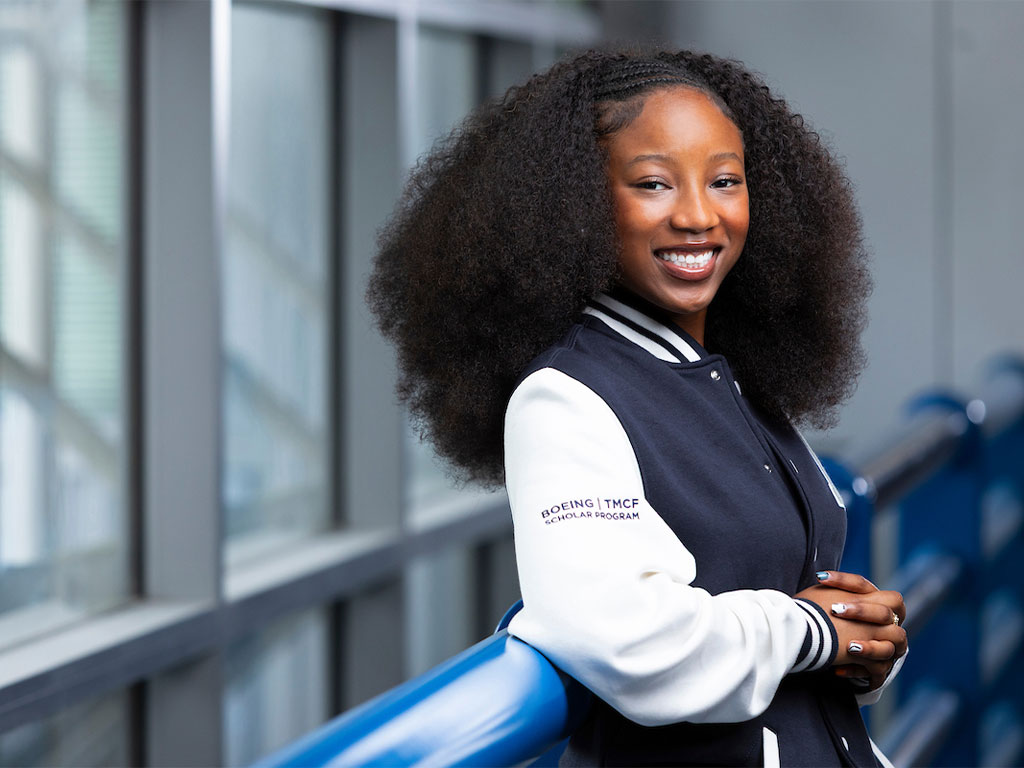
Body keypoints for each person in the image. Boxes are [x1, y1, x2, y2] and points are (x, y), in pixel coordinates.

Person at [368, 48, 907, 767]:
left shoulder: (734, 380)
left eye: (725, 180)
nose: (698, 215)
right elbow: (625, 641)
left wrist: (862, 643)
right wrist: (813, 630)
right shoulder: (564, 397)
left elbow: (791, 608)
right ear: (578, 205)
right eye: (653, 183)